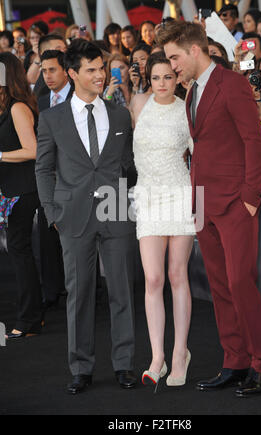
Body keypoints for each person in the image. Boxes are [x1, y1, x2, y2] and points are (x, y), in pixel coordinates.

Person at [158, 20, 261, 398]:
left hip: (236, 204)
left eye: (174, 57)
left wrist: (251, 197)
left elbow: (252, 142)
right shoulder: (192, 91)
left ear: (195, 50)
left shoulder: (232, 83)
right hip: (205, 203)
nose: (172, 66)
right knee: (221, 288)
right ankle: (235, 362)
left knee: (241, 284)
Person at [35, 39, 137, 395]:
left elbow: (127, 165)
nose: (99, 75)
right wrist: (52, 212)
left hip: (117, 211)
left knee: (122, 290)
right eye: (91, 70)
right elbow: (43, 169)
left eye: (101, 68)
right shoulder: (51, 119)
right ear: (73, 73)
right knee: (79, 294)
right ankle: (81, 367)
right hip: (72, 215)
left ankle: (124, 364)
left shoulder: (121, 114)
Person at [131, 52, 195, 388]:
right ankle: (158, 358)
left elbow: (200, 156)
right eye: (156, 77)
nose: (162, 84)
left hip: (180, 196)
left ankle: (179, 351)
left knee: (176, 274)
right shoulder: (138, 103)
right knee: (153, 279)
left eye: (168, 77)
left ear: (177, 77)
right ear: (148, 78)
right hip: (148, 198)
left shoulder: (188, 108)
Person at [0, 52, 42, 339]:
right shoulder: (7, 108)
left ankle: (29, 319)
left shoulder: (17, 108)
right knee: (18, 252)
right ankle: (31, 316)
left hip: (23, 192)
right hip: (11, 191)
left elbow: (33, 150)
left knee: (20, 252)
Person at [37, 49, 73, 314]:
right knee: (48, 235)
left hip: (75, 177)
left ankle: (86, 292)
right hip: (49, 175)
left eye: (52, 70)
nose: (47, 75)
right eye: (44, 70)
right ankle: (52, 291)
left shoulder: (80, 95)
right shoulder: (40, 100)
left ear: (65, 70)